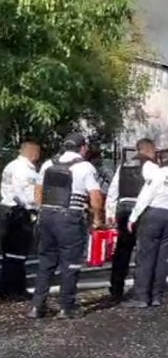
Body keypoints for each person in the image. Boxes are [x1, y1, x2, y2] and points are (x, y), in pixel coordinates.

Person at [28, 133, 104, 319]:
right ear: (82, 148)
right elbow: (95, 197)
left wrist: (40, 211)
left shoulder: (48, 164)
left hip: (46, 216)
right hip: (70, 218)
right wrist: (97, 219)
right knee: (70, 264)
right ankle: (66, 307)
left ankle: (37, 306)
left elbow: (38, 191)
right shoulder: (85, 167)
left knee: (45, 263)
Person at [124, 150, 168, 308]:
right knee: (163, 258)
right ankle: (157, 296)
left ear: (160, 161)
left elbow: (145, 197)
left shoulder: (157, 175)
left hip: (154, 215)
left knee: (146, 256)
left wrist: (133, 217)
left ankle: (141, 296)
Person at [105, 138, 159, 301]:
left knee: (122, 251)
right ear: (150, 150)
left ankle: (116, 289)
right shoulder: (151, 167)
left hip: (122, 209)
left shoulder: (124, 166)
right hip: (141, 211)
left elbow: (113, 191)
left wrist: (110, 213)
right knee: (144, 252)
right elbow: (155, 190)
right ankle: (142, 289)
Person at [0, 141, 41, 300]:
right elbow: (20, 193)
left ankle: (8, 288)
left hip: (7, 210)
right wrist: (32, 208)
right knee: (17, 254)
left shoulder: (11, 165)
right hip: (18, 212)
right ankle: (14, 290)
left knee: (9, 255)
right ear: (32, 152)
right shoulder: (24, 170)